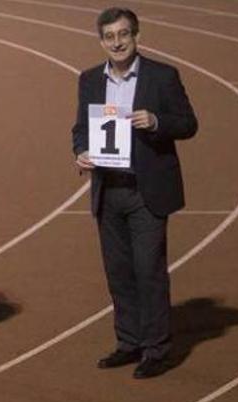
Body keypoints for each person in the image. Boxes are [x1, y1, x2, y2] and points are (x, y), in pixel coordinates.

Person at [72, 7, 197, 379]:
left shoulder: (163, 76)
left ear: (137, 35)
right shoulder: (89, 80)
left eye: (123, 34)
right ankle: (129, 342)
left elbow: (189, 123)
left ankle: (157, 349)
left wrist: (157, 121)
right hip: (108, 189)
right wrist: (80, 150)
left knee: (149, 270)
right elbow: (80, 127)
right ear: (101, 41)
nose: (117, 42)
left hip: (147, 190)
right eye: (110, 37)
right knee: (119, 272)